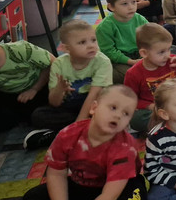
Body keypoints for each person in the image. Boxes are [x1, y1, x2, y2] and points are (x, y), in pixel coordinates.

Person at [21, 86, 146, 200]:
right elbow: (56, 173)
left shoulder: (125, 148)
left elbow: (109, 196)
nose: (118, 115)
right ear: (94, 108)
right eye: (113, 107)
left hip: (120, 191)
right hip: (83, 186)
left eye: (126, 113)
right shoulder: (68, 134)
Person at [25, 20, 112, 149]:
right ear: (66, 48)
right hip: (69, 107)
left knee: (111, 111)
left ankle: (63, 134)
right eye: (82, 42)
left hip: (94, 104)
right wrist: (59, 90)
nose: (91, 46)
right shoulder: (59, 64)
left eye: (93, 40)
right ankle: (87, 131)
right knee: (38, 115)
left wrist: (78, 123)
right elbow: (54, 103)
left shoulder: (102, 61)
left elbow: (94, 95)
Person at [124, 24, 176, 133]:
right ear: (144, 53)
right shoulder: (133, 73)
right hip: (157, 110)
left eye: (169, 49)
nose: (167, 55)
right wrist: (150, 106)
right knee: (136, 119)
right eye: (161, 52)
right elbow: (131, 99)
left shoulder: (172, 60)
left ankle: (170, 122)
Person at [96, 0, 148, 84]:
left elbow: (149, 37)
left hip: (140, 53)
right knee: (130, 75)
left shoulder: (140, 19)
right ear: (112, 7)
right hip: (119, 60)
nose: (131, 7)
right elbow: (109, 51)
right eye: (125, 4)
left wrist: (145, 56)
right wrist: (131, 62)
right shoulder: (104, 27)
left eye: (133, 2)